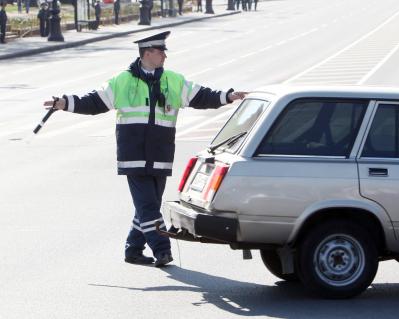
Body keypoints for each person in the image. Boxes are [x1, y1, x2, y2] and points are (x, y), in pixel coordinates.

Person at [43, 31, 247, 267]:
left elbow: (201, 96)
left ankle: (133, 249)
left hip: (161, 154)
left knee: (147, 207)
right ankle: (162, 250)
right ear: (147, 53)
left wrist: (228, 96)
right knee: (149, 207)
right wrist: (64, 103)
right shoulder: (123, 80)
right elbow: (94, 102)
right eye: (160, 52)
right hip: (134, 155)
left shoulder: (173, 79)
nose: (164, 56)